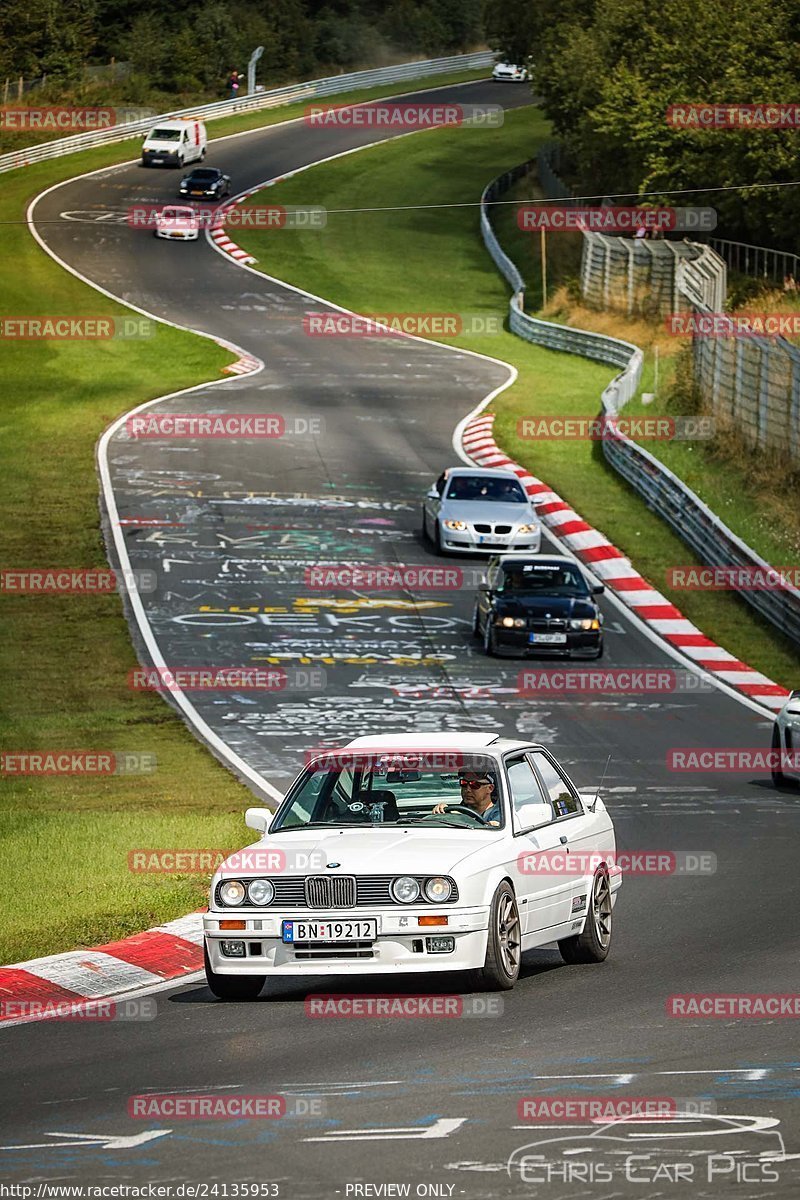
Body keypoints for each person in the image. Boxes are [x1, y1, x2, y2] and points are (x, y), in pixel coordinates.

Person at [432, 771, 502, 825]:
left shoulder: (501, 816)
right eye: (464, 783)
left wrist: (460, 818)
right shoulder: (457, 811)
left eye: (474, 785)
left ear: (490, 788)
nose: (468, 789)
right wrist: (442, 811)